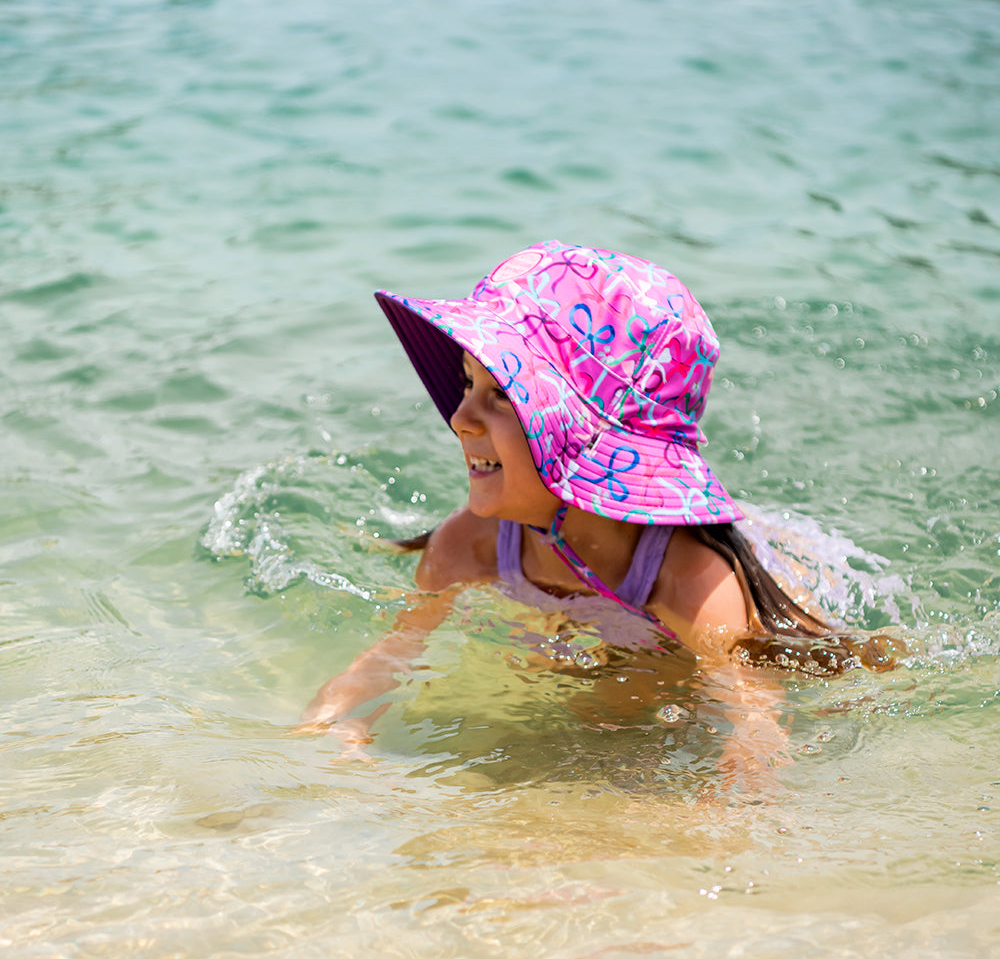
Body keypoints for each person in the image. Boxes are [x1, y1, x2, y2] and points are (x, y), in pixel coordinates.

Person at [299, 241, 893, 752]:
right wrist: (329, 733)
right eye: (468, 383)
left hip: (713, 583)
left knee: (626, 709)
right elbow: (390, 657)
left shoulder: (689, 581)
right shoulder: (466, 546)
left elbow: (756, 722)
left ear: (585, 433)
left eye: (501, 395)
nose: (459, 417)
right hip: (604, 605)